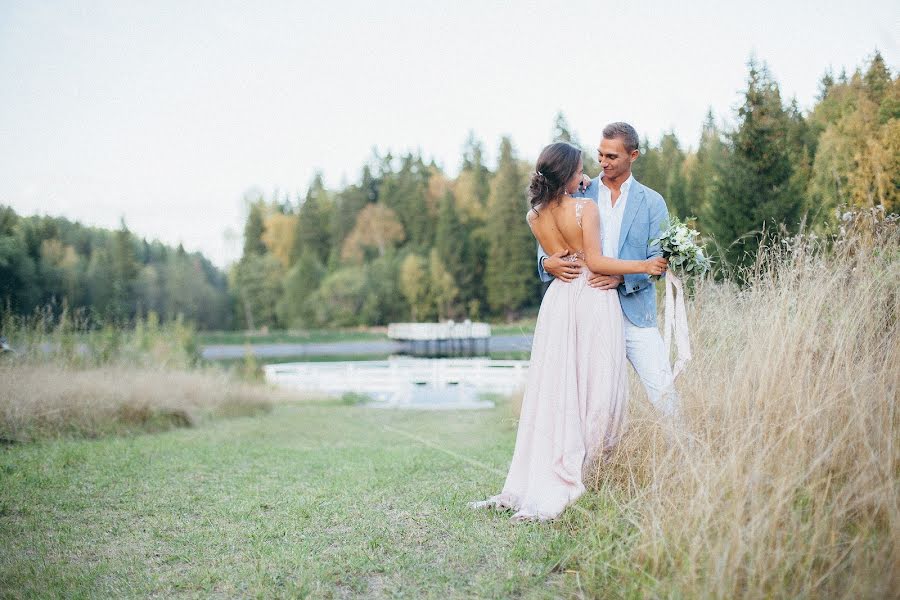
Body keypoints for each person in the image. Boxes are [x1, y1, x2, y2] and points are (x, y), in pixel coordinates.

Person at [469, 141, 667, 522]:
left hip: (558, 303)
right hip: (593, 296)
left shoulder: (534, 215)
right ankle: (587, 470)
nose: (588, 172)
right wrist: (645, 264)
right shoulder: (586, 207)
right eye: (581, 168)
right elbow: (593, 261)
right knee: (597, 385)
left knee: (558, 387)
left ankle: (548, 468)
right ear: (569, 173)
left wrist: (551, 255)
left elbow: (556, 253)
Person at [541, 122, 679, 417]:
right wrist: (544, 262)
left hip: (635, 315)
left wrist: (623, 278)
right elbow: (548, 238)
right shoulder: (579, 190)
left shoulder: (653, 202)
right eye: (600, 155)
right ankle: (595, 463)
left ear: (634, 155)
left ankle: (685, 457)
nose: (603, 163)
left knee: (665, 393)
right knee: (589, 400)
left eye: (612, 157)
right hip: (585, 310)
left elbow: (659, 260)